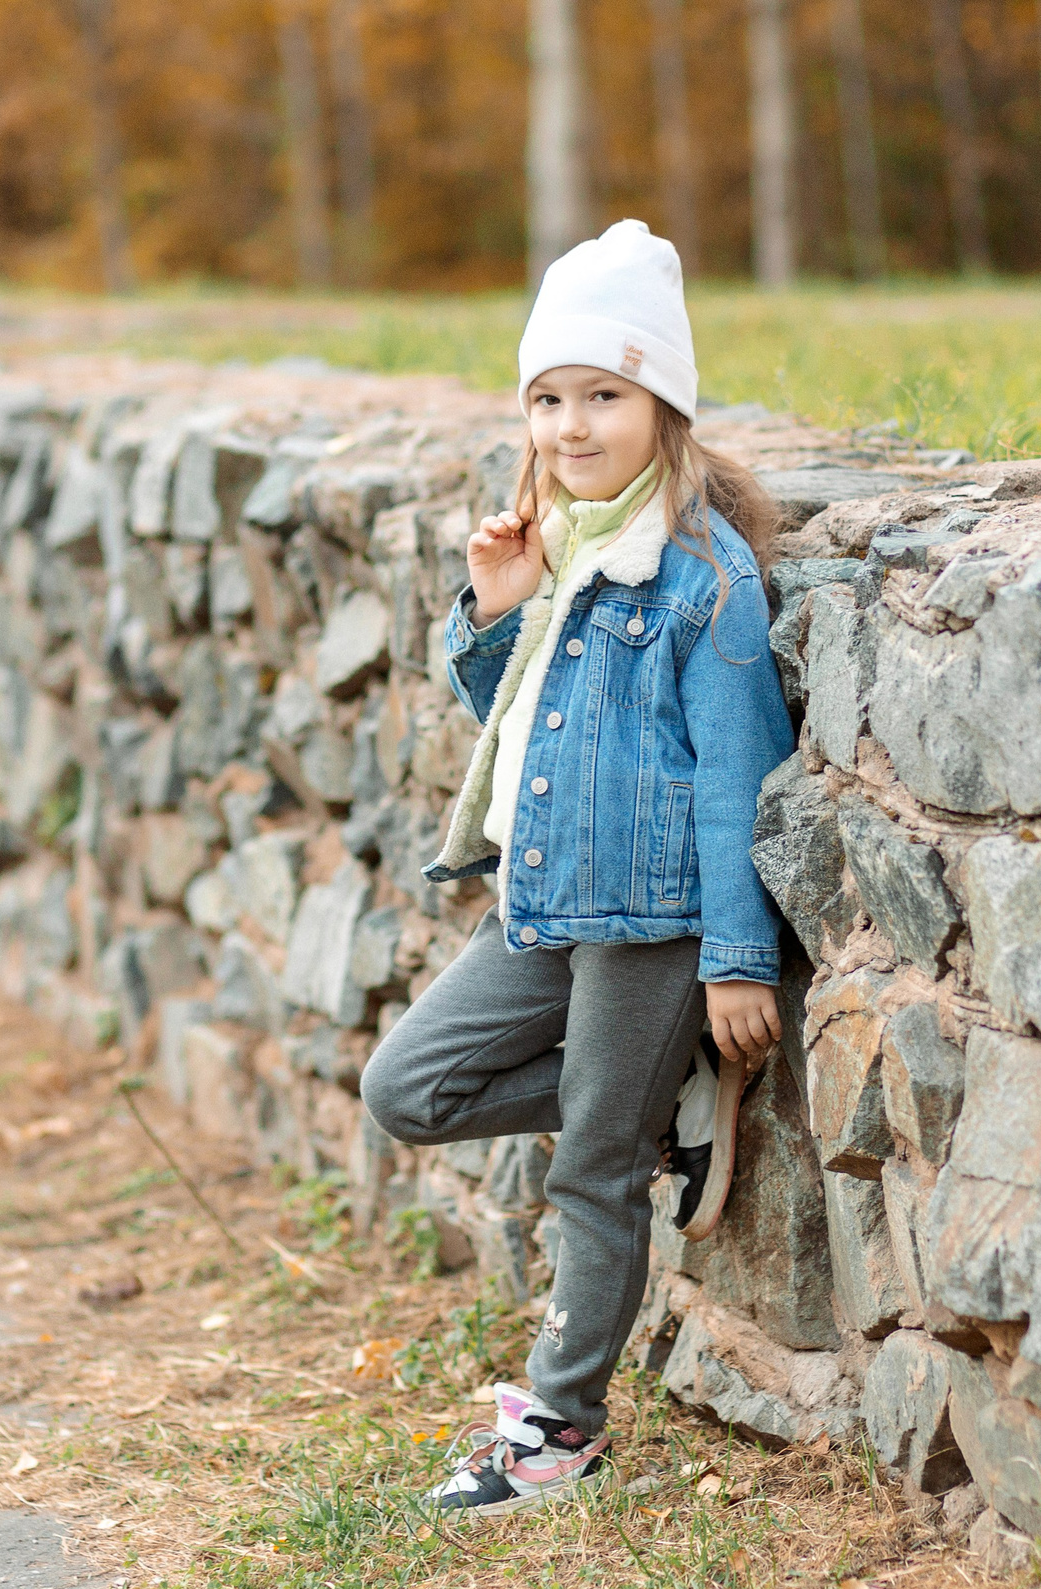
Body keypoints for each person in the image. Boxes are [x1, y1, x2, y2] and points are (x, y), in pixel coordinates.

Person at [357, 219, 795, 1517]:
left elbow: (736, 779)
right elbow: (519, 716)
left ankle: (559, 1431)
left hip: (651, 925)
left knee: (587, 1173)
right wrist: (495, 610)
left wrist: (734, 962)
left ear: (661, 404)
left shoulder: (703, 577)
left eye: (603, 394)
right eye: (548, 397)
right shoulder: (559, 550)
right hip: (542, 899)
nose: (569, 423)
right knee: (409, 1087)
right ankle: (655, 1106)